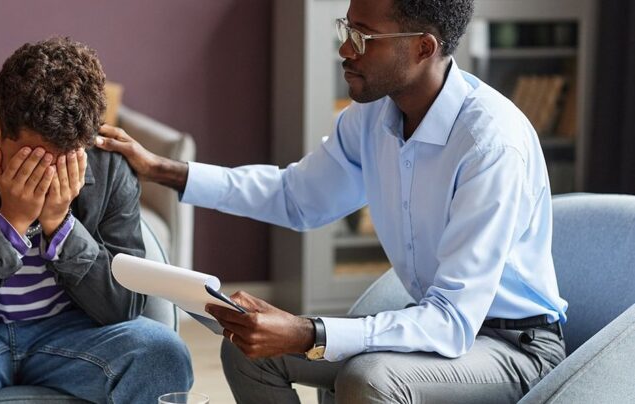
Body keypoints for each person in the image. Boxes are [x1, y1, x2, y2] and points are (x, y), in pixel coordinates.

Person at [93, 0, 569, 402]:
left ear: (424, 47)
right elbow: (297, 197)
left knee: (370, 380)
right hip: (434, 327)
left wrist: (308, 331)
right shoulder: (374, 117)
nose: (345, 49)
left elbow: (451, 321)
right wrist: (164, 170)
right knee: (245, 348)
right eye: (346, 29)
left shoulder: (489, 145)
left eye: (364, 37)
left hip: (513, 348)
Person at [0, 37, 193, 403]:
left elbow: (124, 307)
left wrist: (61, 226)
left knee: (163, 354)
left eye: (66, 158)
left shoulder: (110, 167)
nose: (50, 173)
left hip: (74, 332)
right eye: (34, 157)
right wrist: (10, 222)